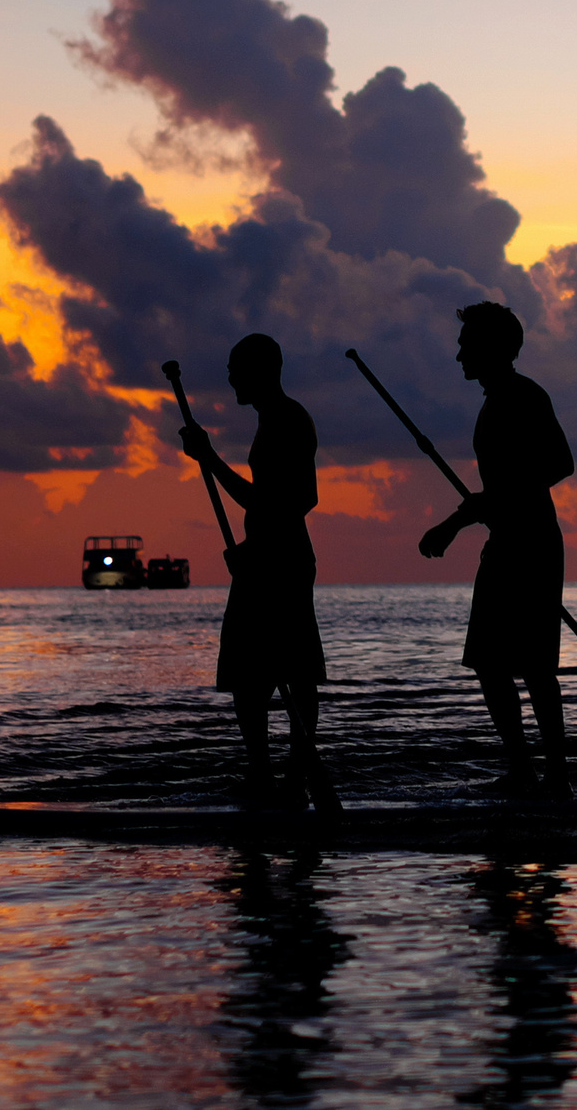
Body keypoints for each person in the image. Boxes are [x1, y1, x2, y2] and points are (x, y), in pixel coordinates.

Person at [420, 301, 576, 799]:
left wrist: (458, 519)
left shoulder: (523, 396)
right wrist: (476, 511)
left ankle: (556, 777)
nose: (459, 355)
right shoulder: (494, 402)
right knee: (490, 663)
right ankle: (523, 771)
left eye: (467, 345)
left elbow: (560, 463)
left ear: (493, 348)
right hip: (505, 542)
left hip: (532, 545)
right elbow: (500, 490)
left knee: (534, 668)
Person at [179, 332, 338, 812]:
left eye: (237, 369)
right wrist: (251, 547)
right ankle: (266, 776)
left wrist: (210, 459)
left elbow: (294, 500)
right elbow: (271, 501)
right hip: (265, 560)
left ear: (264, 370)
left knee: (290, 671)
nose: (230, 378)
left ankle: (292, 778)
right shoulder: (273, 420)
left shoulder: (288, 419)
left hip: (280, 563)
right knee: (250, 676)